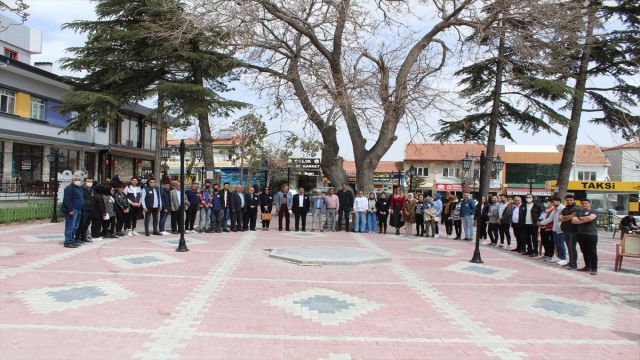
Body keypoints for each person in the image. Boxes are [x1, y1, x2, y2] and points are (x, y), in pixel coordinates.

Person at [572, 199, 599, 275]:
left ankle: (594, 268)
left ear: (590, 204)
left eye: (586, 203)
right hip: (580, 234)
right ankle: (587, 266)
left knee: (592, 252)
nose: (584, 204)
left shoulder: (594, 211)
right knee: (584, 251)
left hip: (591, 234)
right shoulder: (579, 212)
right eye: (582, 203)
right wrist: (585, 219)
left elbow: (591, 218)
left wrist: (580, 219)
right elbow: (573, 221)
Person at [62, 175, 85, 248]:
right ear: (72, 180)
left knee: (75, 226)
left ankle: (72, 240)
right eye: (76, 179)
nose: (78, 181)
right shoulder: (69, 188)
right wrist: (70, 210)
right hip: (72, 210)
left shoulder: (79, 188)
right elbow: (67, 200)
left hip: (78, 210)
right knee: (70, 226)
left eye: (78, 179)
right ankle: (68, 242)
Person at [75, 177, 93, 243]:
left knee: (87, 225)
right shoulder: (81, 189)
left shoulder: (91, 189)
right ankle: (77, 238)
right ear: (84, 182)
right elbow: (80, 199)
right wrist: (86, 203)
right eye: (88, 181)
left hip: (90, 209)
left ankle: (83, 237)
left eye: (91, 181)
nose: (90, 183)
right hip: (84, 209)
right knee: (81, 224)